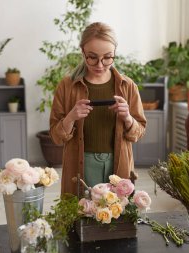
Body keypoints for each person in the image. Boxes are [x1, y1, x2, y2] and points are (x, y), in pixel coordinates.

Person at [50, 22, 147, 195]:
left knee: (117, 217)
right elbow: (56, 137)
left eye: (108, 57)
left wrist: (128, 118)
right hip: (80, 166)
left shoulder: (128, 86)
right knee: (81, 215)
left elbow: (139, 132)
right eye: (92, 57)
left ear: (115, 53)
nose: (100, 65)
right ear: (82, 52)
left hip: (119, 164)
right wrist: (70, 117)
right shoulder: (67, 86)